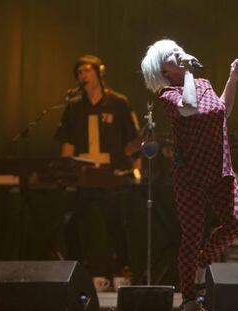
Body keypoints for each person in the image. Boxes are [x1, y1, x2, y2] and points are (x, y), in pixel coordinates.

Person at [141, 39, 238, 311]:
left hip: (220, 168)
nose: (177, 54)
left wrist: (233, 76)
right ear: (163, 70)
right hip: (190, 174)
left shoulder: (203, 83)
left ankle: (202, 260)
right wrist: (188, 74)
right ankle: (188, 299)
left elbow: (223, 111)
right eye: (170, 55)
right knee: (192, 234)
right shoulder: (168, 95)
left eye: (177, 49)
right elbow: (189, 108)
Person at [55, 54, 141, 279]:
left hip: (109, 176)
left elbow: (133, 140)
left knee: (115, 222)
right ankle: (76, 269)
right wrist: (63, 172)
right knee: (69, 220)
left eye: (86, 70)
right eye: (79, 73)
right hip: (82, 177)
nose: (83, 75)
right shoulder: (73, 106)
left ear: (99, 72)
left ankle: (125, 267)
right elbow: (68, 143)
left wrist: (137, 169)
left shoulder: (118, 103)